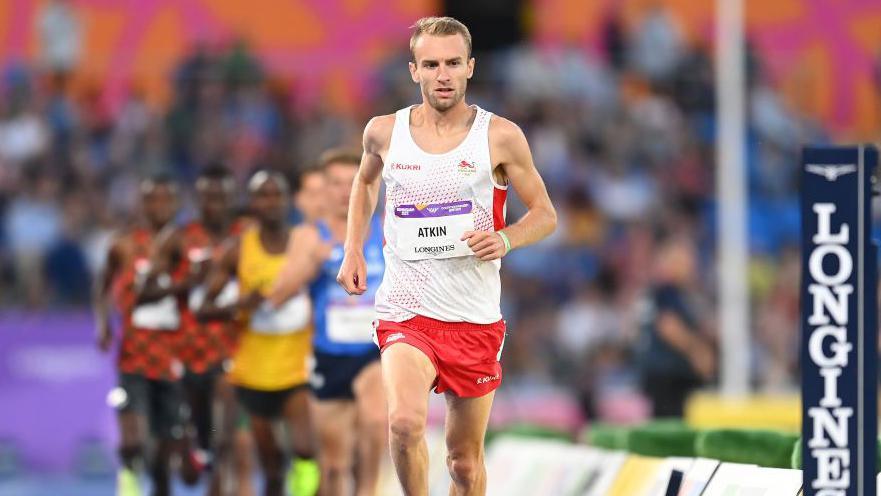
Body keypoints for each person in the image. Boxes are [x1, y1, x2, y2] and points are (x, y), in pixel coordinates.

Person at [336, 17, 557, 496]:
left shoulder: (499, 137)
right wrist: (354, 246)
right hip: (406, 311)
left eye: (453, 63)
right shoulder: (383, 132)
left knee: (463, 465)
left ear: (470, 68)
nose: (443, 74)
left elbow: (545, 214)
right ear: (414, 70)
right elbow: (366, 180)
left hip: (473, 317)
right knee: (404, 424)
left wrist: (508, 239)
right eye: (431, 64)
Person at [269, 149, 387, 496]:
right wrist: (313, 266)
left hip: (374, 350)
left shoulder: (385, 230)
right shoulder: (309, 237)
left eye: (351, 182)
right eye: (334, 183)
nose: (342, 191)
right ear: (324, 189)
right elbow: (277, 296)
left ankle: (369, 490)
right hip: (328, 356)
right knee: (334, 467)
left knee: (375, 419)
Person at [199, 171, 319, 496]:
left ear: (288, 200)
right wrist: (242, 305)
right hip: (252, 372)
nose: (271, 202)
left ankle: (305, 489)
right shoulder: (239, 249)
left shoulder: (304, 243)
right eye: (263, 196)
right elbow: (203, 309)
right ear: (252, 203)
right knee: (272, 465)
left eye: (277, 194)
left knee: (306, 449)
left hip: (296, 367)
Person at [135, 165, 245, 495]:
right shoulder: (179, 238)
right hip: (188, 349)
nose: (214, 204)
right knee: (194, 447)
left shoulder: (246, 236)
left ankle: (215, 469)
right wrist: (185, 283)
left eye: (221, 197)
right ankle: (195, 447)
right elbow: (144, 290)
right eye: (207, 197)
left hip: (232, 348)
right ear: (197, 199)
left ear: (231, 198)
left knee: (225, 432)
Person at [93, 174, 199, 496]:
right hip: (134, 355)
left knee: (163, 463)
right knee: (133, 440)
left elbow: (200, 283)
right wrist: (103, 324)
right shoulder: (123, 245)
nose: (159, 207)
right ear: (142, 205)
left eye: (166, 200)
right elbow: (102, 283)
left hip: (173, 356)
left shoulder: (187, 246)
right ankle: (127, 478)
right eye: (152, 200)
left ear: (177, 204)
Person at [636, 235, 716, 417]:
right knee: (670, 431)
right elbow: (668, 326)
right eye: (685, 260)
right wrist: (698, 351)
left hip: (662, 374)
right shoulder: (667, 291)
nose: (691, 266)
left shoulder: (660, 292)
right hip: (668, 376)